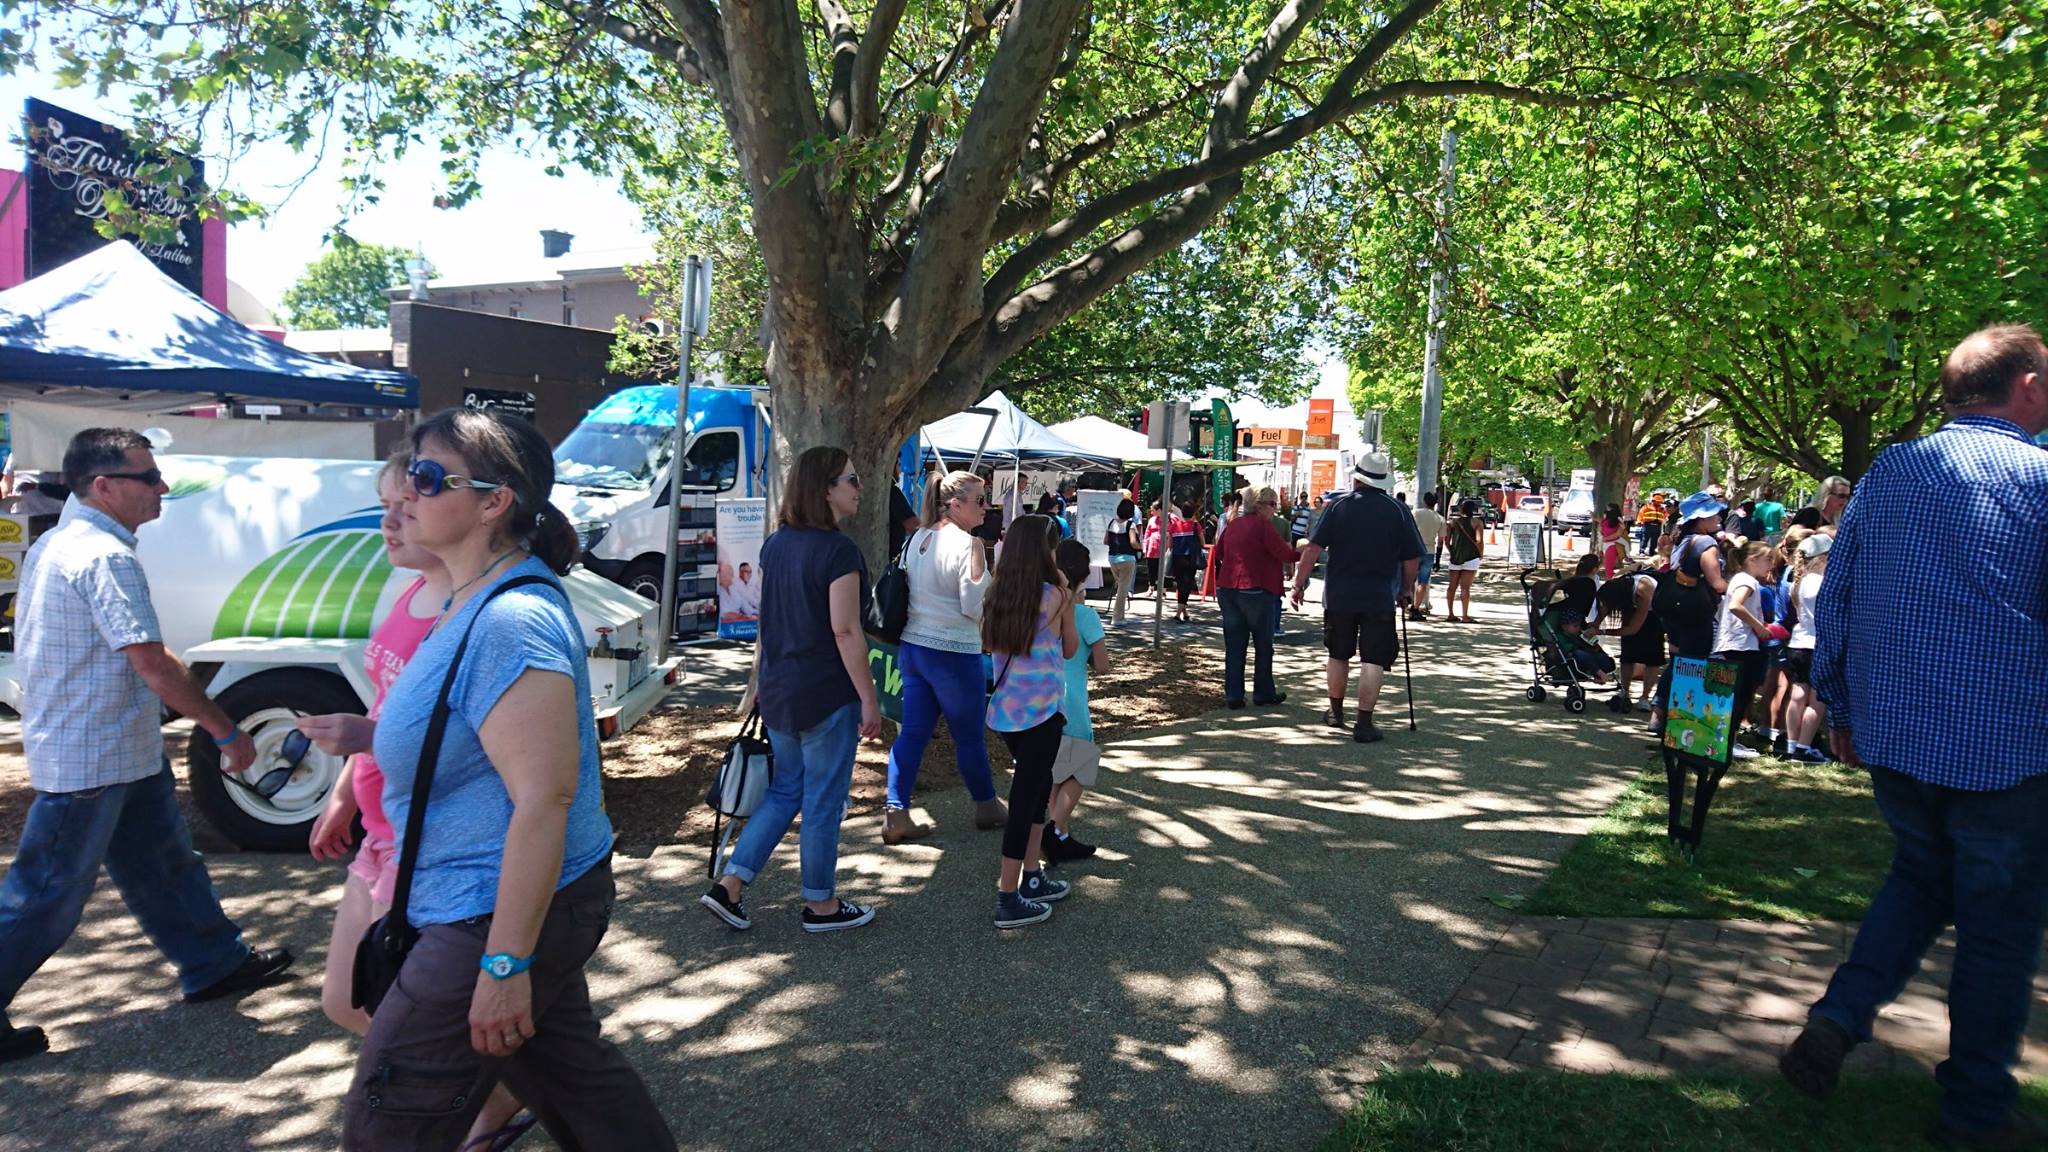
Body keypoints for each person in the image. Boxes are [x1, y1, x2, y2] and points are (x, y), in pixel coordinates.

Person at [341, 408, 674, 1149]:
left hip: (490, 912)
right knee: (579, 1088)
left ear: (494, 503)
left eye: (427, 478)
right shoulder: (466, 601)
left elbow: (544, 798)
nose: (407, 492)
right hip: (487, 900)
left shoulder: (509, 620)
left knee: (387, 1116)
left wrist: (503, 961)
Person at [1780, 326, 2048, 1149]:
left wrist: (1844, 711)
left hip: (1901, 737)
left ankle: (1838, 1018)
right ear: (2028, 386)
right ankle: (1973, 1110)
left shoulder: (1891, 472)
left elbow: (1839, 598)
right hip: (2009, 744)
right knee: (1998, 930)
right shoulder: (2041, 481)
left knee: (1921, 880)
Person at [0, 429, 295, 1067]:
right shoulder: (103, 555)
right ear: (103, 487)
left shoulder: (61, 541)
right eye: (148, 477)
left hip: (112, 746)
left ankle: (214, 961)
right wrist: (225, 730)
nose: (162, 488)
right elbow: (152, 662)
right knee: (47, 893)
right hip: (91, 755)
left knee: (164, 864)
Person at [303, 453, 528, 1145]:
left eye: (408, 502)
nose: (391, 519)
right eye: (386, 504)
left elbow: (464, 742)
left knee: (394, 1022)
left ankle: (486, 1106)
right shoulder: (406, 598)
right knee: (345, 1000)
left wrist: (368, 737)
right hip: (379, 831)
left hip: (425, 842)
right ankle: (503, 1089)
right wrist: (345, 788)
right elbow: (387, 703)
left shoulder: (476, 613)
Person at [705, 444, 883, 935]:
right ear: (825, 488)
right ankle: (820, 905)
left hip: (782, 688)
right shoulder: (838, 551)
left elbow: (769, 621)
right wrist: (870, 698)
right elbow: (845, 631)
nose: (859, 487)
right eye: (850, 479)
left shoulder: (776, 544)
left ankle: (732, 884)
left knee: (786, 791)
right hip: (826, 692)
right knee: (823, 799)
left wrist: (763, 680)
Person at [882, 469, 1004, 844]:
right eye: (980, 500)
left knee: (914, 732)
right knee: (968, 736)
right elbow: (972, 606)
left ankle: (896, 811)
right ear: (955, 504)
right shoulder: (968, 546)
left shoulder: (917, 537)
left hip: (914, 647)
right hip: (953, 650)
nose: (986, 508)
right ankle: (986, 804)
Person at [982, 515, 1078, 929]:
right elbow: (1071, 648)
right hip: (1043, 713)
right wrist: (1066, 591)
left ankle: (1033, 877)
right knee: (1026, 800)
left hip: (1007, 712)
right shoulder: (1055, 594)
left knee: (1036, 793)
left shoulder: (997, 594)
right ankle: (1008, 894)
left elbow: (989, 644)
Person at [1289, 452, 1423, 744]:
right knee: (1373, 659)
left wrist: (1299, 584)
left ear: (1357, 478)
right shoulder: (1398, 510)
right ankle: (1364, 723)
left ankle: (1336, 713)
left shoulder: (1338, 507)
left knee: (1338, 654)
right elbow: (1412, 558)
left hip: (1340, 596)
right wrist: (1406, 590)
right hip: (1379, 596)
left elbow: (1312, 549)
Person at [1044, 539, 1108, 865]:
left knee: (1059, 771)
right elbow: (1102, 664)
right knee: (1082, 766)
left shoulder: (1045, 605)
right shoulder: (1085, 615)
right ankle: (1053, 829)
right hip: (1074, 702)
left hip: (1045, 697)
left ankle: (1061, 835)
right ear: (1083, 577)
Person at [1212, 486, 1294, 708]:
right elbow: (1285, 554)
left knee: (1235, 645)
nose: (1274, 510)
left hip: (1228, 589)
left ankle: (1234, 695)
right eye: (1272, 504)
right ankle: (1263, 692)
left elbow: (1219, 553)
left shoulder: (1233, 525)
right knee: (1263, 644)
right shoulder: (1263, 526)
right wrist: (1305, 550)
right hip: (1256, 588)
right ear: (1259, 506)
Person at [1710, 539, 1776, 760]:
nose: (1771, 565)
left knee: (1732, 696)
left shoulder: (1740, 579)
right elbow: (1735, 605)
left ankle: (1728, 741)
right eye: (1768, 559)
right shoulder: (1747, 581)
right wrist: (1759, 627)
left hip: (1735, 644)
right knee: (1737, 697)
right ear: (1752, 560)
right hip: (1740, 647)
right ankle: (1729, 743)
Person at [1780, 532, 1831, 763]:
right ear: (1821, 557)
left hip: (1798, 642)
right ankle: (1804, 746)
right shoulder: (1821, 583)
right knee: (1816, 700)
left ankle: (1792, 745)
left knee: (1797, 695)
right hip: (1817, 643)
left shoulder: (1799, 582)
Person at [1595, 563, 1664, 715]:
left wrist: (1602, 631)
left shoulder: (1642, 590)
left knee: (1652, 656)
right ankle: (1624, 691)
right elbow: (1606, 606)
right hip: (1633, 608)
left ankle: (1645, 697)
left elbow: (1633, 629)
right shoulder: (1616, 584)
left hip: (1656, 613)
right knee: (1628, 654)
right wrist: (1595, 623)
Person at [1441, 499, 1483, 623]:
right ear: (1473, 509)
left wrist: (1452, 550)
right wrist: (1480, 554)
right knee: (1465, 588)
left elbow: (1446, 541)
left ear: (1461, 509)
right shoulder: (1477, 523)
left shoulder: (1453, 522)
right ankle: (1465, 616)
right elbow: (1479, 541)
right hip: (1471, 557)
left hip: (1455, 558)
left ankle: (1450, 614)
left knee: (1451, 587)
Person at [1104, 497, 1141, 624]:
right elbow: (1133, 542)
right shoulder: (1131, 525)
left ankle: (1120, 616)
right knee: (1123, 589)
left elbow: (1106, 541)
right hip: (1127, 558)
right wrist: (1142, 547)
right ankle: (1117, 617)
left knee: (1120, 586)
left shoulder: (1111, 523)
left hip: (1112, 558)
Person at [1410, 492, 1446, 620]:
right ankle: (1416, 608)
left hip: (1413, 550)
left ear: (1424, 500)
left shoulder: (1415, 513)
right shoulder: (1440, 518)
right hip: (1429, 551)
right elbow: (1441, 541)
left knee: (1409, 579)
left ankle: (1406, 605)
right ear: (1436, 502)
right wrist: (1438, 560)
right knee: (1423, 582)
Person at [1598, 503, 1626, 578]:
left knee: (1608, 568)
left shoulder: (1619, 520)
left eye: (1608, 509)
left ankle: (1611, 584)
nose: (1606, 511)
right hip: (1605, 544)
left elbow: (1618, 533)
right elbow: (1601, 531)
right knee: (1607, 567)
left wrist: (1606, 538)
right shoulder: (1605, 520)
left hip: (1613, 544)